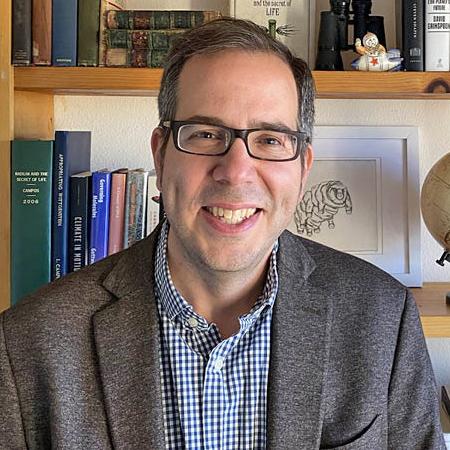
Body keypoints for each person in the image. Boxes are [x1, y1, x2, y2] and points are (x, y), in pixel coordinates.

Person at [0, 17, 445, 450]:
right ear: (160, 156)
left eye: (271, 140)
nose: (235, 172)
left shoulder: (384, 319)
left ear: (303, 168)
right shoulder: (27, 343)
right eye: (206, 134)